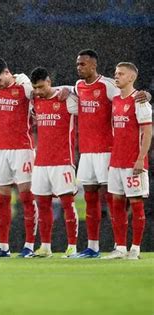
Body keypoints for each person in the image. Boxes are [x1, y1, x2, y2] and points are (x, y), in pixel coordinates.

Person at [74, 49, 150, 258]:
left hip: (114, 153)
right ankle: (106, 247)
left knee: (127, 201)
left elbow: (144, 125)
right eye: (78, 64)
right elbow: (65, 92)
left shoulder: (112, 89)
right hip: (99, 155)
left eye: (83, 64)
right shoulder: (80, 87)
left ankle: (133, 248)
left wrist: (140, 158)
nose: (79, 67)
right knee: (106, 200)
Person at [0, 58, 37, 258]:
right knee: (2, 199)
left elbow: (46, 90)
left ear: (8, 72)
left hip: (22, 149)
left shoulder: (25, 89)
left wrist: (24, 79)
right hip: (1, 151)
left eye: (0, 80)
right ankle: (3, 247)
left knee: (27, 199)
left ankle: (29, 246)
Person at [103, 62, 151, 260]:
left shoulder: (140, 101)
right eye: (115, 73)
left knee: (136, 203)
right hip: (116, 161)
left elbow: (148, 132)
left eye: (121, 74)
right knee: (116, 204)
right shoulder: (115, 99)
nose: (117, 76)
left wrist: (140, 158)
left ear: (131, 78)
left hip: (133, 162)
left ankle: (135, 249)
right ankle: (121, 248)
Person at [29, 67, 79, 258]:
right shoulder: (36, 100)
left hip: (63, 160)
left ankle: (73, 247)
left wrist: (71, 89)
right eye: (35, 88)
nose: (39, 91)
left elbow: (85, 93)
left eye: (41, 86)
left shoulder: (66, 99)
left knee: (67, 203)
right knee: (42, 204)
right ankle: (46, 247)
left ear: (49, 81)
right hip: (41, 162)